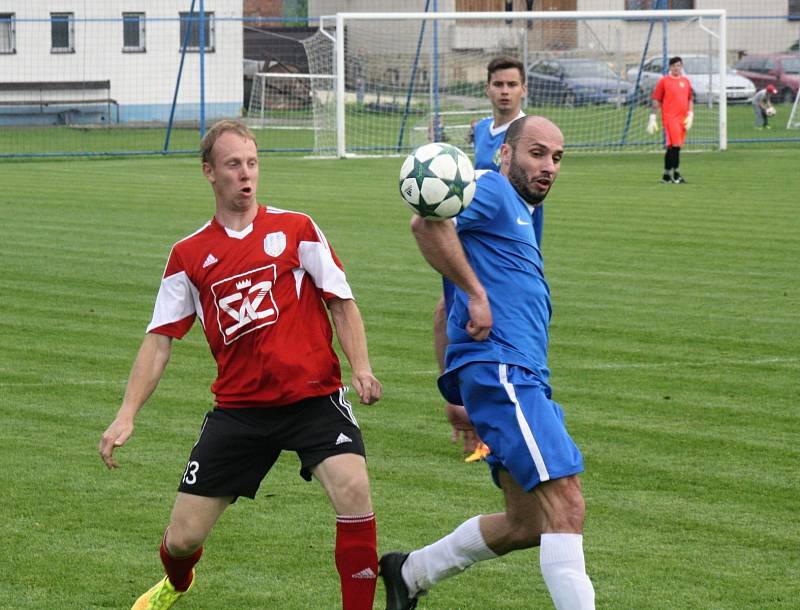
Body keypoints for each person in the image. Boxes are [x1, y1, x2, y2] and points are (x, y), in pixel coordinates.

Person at [98, 119, 383, 610]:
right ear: (210, 172)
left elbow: (341, 300)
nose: (246, 174)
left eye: (252, 163)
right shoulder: (188, 255)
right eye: (234, 164)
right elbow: (160, 340)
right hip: (240, 411)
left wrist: (360, 367)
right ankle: (178, 582)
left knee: (354, 490)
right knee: (183, 538)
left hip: (313, 398)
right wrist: (126, 413)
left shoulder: (297, 228)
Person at [380, 115, 595, 610]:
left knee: (528, 525)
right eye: (536, 153)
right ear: (505, 153)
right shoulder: (494, 191)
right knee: (567, 505)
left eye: (557, 158)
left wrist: (454, 396)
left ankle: (410, 572)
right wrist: (478, 294)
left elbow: (442, 312)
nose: (548, 167)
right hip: (505, 372)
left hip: (511, 378)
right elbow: (426, 219)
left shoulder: (523, 213)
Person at [448, 56, 535, 463]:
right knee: (447, 319)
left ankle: (488, 425)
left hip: (501, 251)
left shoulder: (527, 135)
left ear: (523, 90)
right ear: (487, 89)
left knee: (495, 334)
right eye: (497, 83)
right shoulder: (481, 130)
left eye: (511, 84)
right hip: (466, 243)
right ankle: (463, 411)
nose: (504, 90)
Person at [646, 56, 694, 184]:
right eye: (674, 66)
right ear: (670, 67)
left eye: (678, 65)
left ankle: (666, 176)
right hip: (670, 118)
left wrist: (690, 115)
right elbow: (656, 99)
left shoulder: (686, 81)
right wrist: (652, 117)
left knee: (672, 148)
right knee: (676, 146)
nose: (676, 68)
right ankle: (677, 175)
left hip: (682, 119)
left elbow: (690, 99)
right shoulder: (664, 81)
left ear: (681, 66)